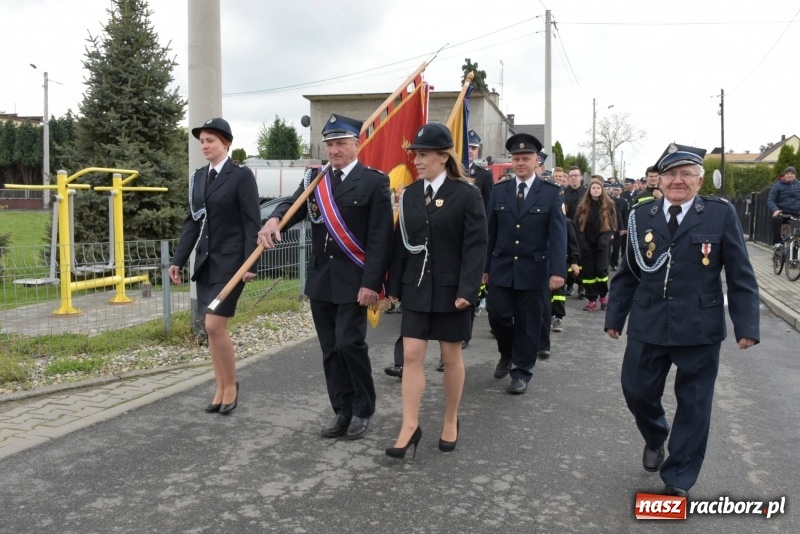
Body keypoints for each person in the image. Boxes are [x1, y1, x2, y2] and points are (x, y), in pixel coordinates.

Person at [604, 143, 760, 498]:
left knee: (695, 404)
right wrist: (616, 315)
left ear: (699, 181)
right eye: (671, 174)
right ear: (660, 181)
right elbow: (629, 271)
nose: (678, 181)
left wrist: (747, 326)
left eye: (686, 174)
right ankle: (656, 435)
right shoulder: (641, 215)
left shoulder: (720, 214)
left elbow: (740, 274)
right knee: (637, 391)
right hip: (649, 321)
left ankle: (679, 477)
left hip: (699, 327)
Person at [258, 114, 394, 440]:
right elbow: (294, 206)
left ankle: (363, 408)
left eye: (341, 143)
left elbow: (379, 239)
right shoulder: (314, 179)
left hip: (355, 280)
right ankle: (341, 410)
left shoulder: (374, 182)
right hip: (322, 279)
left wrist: (372, 284)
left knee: (350, 344)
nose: (334, 150)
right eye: (330, 144)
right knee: (330, 349)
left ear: (356, 144)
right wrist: (275, 220)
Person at [385, 123, 487, 458]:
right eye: (415, 154)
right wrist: (394, 285)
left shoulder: (467, 194)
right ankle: (409, 425)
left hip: (450, 290)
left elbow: (476, 246)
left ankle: (450, 418)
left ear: (444, 157)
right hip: (416, 288)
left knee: (450, 356)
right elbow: (403, 243)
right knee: (412, 355)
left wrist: (468, 290)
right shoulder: (411, 194)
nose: (417, 160)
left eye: (423, 154)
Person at [169, 118, 260, 415]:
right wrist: (178, 260)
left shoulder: (241, 176)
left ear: (226, 143)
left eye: (211, 140)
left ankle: (231, 384)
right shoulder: (198, 177)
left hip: (233, 264)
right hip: (206, 263)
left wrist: (250, 263)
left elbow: (251, 222)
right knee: (212, 331)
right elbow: (192, 222)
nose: (205, 146)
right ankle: (220, 386)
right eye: (202, 141)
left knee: (213, 324)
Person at [485, 133, 567, 394]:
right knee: (497, 315)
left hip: (534, 270)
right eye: (516, 159)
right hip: (501, 268)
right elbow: (490, 232)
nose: (520, 163)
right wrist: (484, 268)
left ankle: (522, 371)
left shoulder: (551, 193)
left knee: (529, 323)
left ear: (536, 161)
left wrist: (557, 271)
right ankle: (506, 353)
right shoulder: (499, 191)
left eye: (526, 158)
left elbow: (558, 234)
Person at [574, 177, 618, 312]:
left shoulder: (609, 205)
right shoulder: (582, 206)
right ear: (589, 190)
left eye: (598, 188)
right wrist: (582, 243)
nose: (596, 190)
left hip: (602, 247)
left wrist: (604, 242)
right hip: (587, 247)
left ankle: (603, 297)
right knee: (588, 274)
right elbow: (578, 227)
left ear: (601, 190)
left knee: (601, 271)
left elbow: (611, 225)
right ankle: (591, 300)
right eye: (593, 188)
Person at [767, 166, 800, 248]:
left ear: (795, 175)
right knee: (776, 219)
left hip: (796, 212)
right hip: (783, 212)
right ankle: (777, 242)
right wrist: (775, 210)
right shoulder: (777, 186)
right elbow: (771, 200)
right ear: (784, 175)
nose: (790, 175)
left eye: (792, 173)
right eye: (788, 173)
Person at [608, 182, 629, 270]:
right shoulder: (608, 199)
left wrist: (623, 228)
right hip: (609, 226)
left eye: (618, 190)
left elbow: (625, 216)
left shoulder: (623, 201)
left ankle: (614, 263)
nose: (616, 191)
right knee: (607, 247)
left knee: (617, 247)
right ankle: (607, 262)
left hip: (618, 226)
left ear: (621, 190)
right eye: (614, 189)